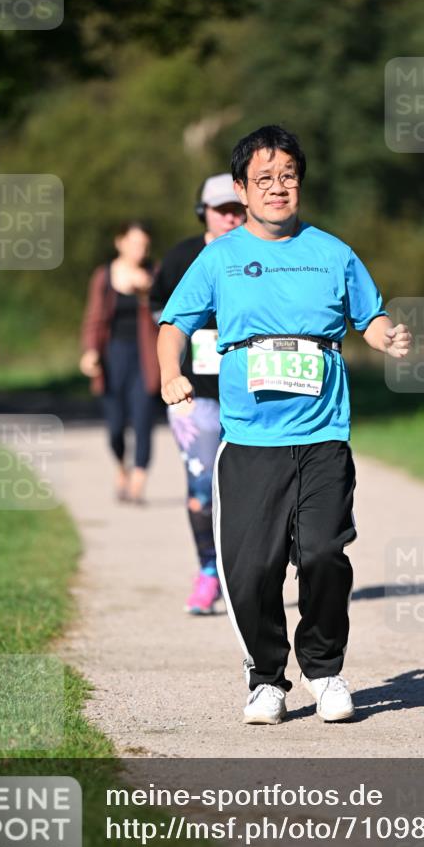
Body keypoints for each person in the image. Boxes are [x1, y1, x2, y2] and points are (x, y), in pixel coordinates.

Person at [158, 125, 411, 725]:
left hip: (323, 435)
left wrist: (386, 335)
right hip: (250, 440)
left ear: (301, 183)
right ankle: (266, 680)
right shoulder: (218, 258)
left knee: (323, 554)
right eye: (265, 179)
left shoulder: (333, 253)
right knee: (251, 570)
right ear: (242, 189)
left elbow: (369, 315)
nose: (278, 188)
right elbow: (174, 324)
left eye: (288, 177)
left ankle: (324, 671)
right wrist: (171, 373)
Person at [149, 175, 245, 615]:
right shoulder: (182, 256)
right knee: (202, 488)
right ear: (202, 212)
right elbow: (159, 309)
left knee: (251, 491)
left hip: (250, 394)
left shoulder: (260, 252)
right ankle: (208, 571)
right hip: (195, 397)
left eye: (236, 208)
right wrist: (179, 348)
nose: (230, 217)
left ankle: (247, 574)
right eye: (221, 209)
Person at [80, 220, 160, 503]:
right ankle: (120, 466)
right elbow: (94, 318)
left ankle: (138, 480)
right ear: (120, 243)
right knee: (115, 425)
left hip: (146, 357)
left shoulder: (155, 273)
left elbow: (169, 316)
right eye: (135, 243)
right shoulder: (104, 276)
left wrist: (148, 294)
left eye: (144, 245)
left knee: (142, 419)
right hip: (113, 356)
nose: (140, 250)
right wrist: (90, 351)